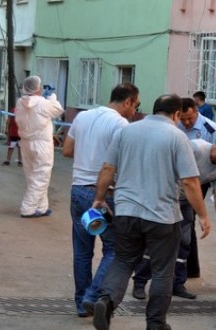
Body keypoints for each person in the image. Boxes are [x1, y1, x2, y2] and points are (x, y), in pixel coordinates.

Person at [90, 94, 211, 330]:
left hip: (125, 211)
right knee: (162, 271)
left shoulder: (126, 131)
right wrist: (203, 215)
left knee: (123, 261)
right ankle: (155, 323)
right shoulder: (177, 137)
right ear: (176, 114)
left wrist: (99, 198)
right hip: (162, 217)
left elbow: (107, 168)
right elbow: (189, 181)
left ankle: (107, 300)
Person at [61, 83, 141, 317]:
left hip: (78, 191)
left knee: (82, 250)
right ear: (127, 101)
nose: (135, 111)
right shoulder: (120, 124)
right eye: (135, 105)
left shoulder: (82, 117)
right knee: (115, 250)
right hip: (104, 194)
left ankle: (81, 303)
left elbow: (66, 150)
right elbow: (120, 162)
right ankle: (93, 296)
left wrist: (88, 154)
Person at [132, 139, 216, 300]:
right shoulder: (196, 149)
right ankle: (140, 282)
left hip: (185, 202)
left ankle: (177, 284)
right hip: (163, 198)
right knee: (156, 242)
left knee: (184, 242)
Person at [178, 97, 216, 278]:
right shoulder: (175, 125)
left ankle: (190, 268)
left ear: (197, 112)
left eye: (190, 118)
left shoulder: (211, 130)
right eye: (183, 118)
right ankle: (184, 268)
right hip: (177, 178)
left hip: (199, 180)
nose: (186, 122)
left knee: (190, 219)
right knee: (180, 222)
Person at [14, 75, 64, 218]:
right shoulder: (43, 103)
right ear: (38, 88)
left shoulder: (20, 102)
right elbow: (58, 109)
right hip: (41, 143)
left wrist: (44, 98)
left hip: (26, 142)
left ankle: (41, 206)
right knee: (41, 176)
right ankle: (28, 208)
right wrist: (52, 97)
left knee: (32, 175)